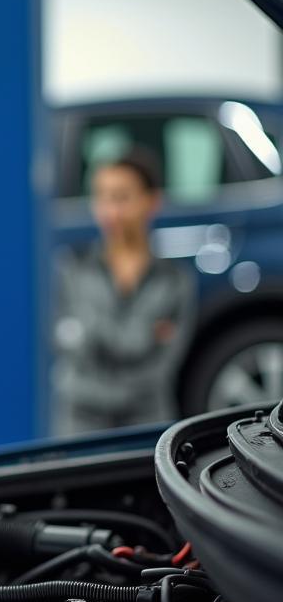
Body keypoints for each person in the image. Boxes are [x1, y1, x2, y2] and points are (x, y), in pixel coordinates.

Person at [53, 149, 196, 434]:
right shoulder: (72, 271)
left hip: (147, 421)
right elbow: (68, 346)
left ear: (151, 201)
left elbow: (165, 365)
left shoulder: (174, 281)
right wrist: (142, 338)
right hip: (81, 421)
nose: (110, 211)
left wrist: (95, 333)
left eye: (121, 197)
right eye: (102, 198)